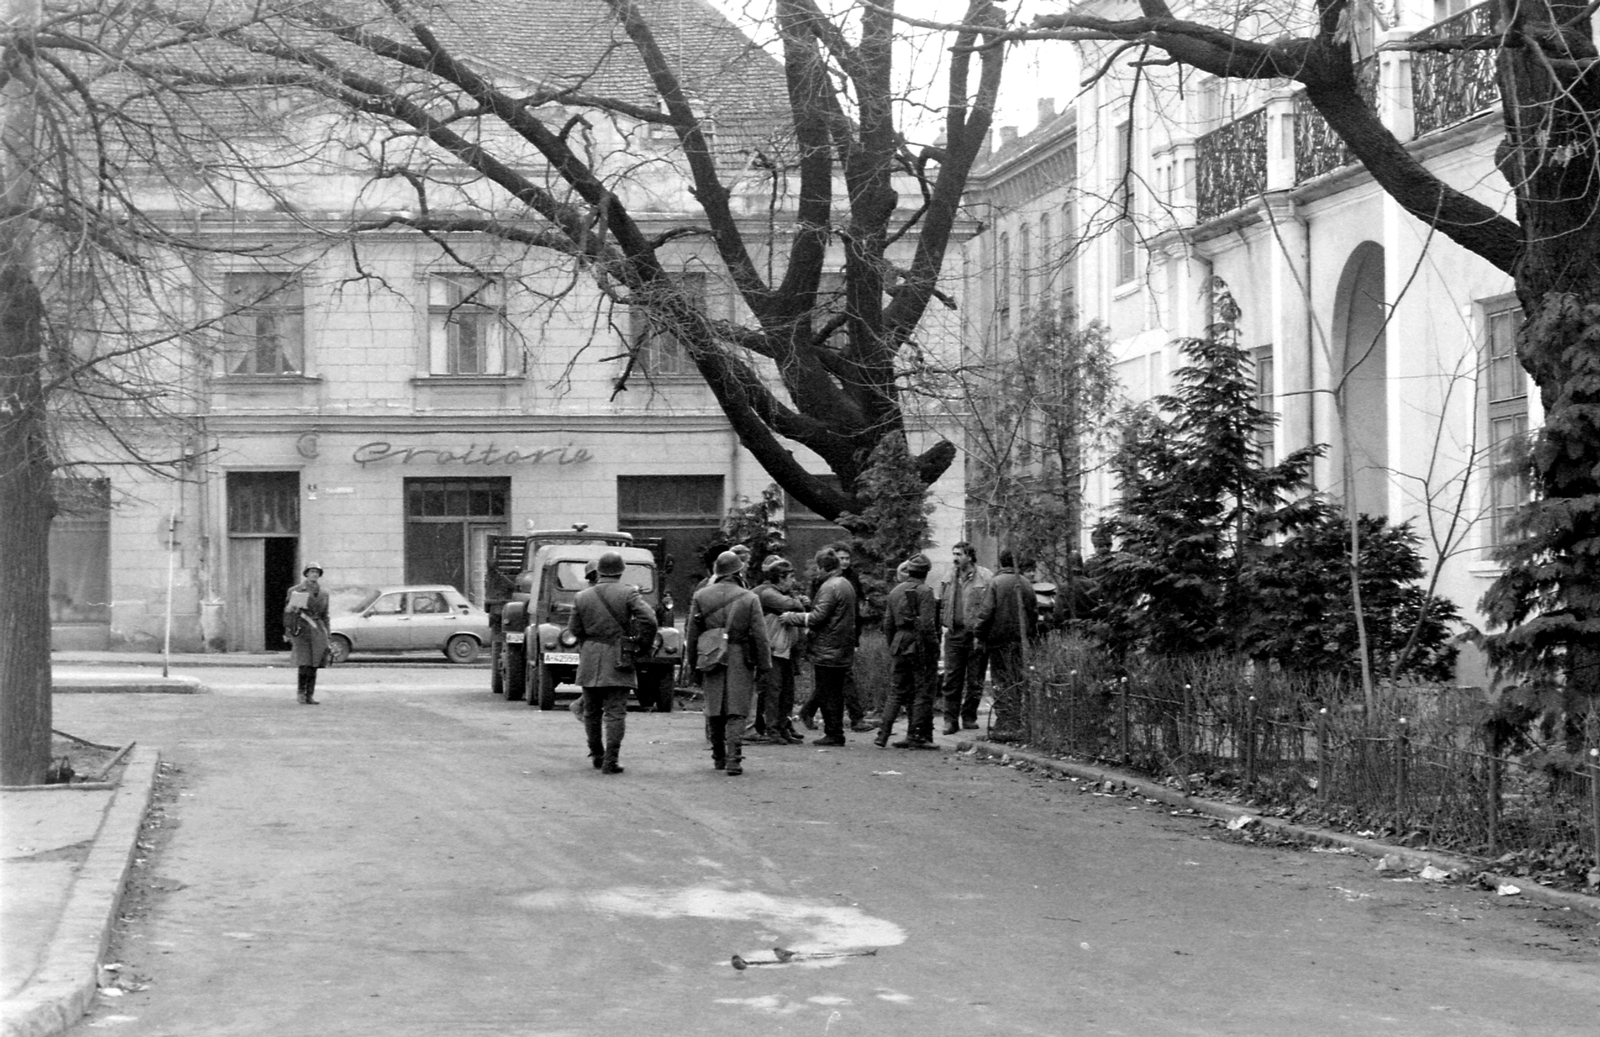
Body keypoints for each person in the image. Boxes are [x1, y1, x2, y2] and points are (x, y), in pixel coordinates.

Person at [566, 550, 658, 775]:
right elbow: (650, 619)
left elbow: (574, 629)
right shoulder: (628, 594)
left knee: (592, 711)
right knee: (616, 712)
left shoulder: (582, 597)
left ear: (599, 571)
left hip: (590, 657)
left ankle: (597, 754)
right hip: (619, 657)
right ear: (620, 571)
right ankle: (611, 760)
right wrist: (642, 645)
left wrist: (589, 642)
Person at [685, 551, 772, 775]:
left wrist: (692, 664)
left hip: (710, 654)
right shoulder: (749, 597)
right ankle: (734, 758)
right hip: (739, 655)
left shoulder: (701, 596)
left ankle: (718, 756)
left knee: (714, 708)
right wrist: (764, 666)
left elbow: (692, 634)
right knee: (737, 709)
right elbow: (761, 636)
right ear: (738, 572)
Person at [781, 549, 857, 746]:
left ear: (822, 567)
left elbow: (818, 617)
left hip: (827, 647)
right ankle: (835, 731)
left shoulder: (829, 587)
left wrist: (792, 617)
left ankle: (833, 733)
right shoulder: (844, 584)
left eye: (818, 568)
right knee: (835, 692)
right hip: (840, 645)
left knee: (827, 692)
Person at [797, 543, 876, 733]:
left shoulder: (836, 583)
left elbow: (820, 615)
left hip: (832, 641)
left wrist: (794, 617)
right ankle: (847, 721)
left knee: (831, 685)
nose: (846, 562)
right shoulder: (838, 583)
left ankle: (835, 726)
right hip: (838, 640)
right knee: (835, 684)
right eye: (842, 559)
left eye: (848, 558)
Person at [877, 553, 939, 749]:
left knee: (897, 690)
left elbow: (887, 624)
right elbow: (928, 625)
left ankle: (883, 734)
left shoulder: (895, 592)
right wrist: (934, 648)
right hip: (918, 644)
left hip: (899, 642)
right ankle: (917, 736)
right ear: (926, 572)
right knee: (922, 691)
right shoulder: (925, 592)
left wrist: (893, 644)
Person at [975, 548, 1038, 738]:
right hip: (1020, 640)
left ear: (1001, 563)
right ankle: (1016, 719)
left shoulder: (995, 583)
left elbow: (986, 612)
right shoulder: (1025, 583)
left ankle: (1004, 720)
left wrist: (979, 633)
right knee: (1017, 679)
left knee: (1000, 680)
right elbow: (1033, 613)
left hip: (998, 640)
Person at [938, 541, 993, 734]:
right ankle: (950, 720)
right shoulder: (948, 577)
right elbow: (942, 603)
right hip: (954, 633)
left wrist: (983, 631)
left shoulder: (985, 577)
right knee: (952, 678)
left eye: (959, 554)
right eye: (953, 553)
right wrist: (944, 623)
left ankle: (969, 716)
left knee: (975, 678)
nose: (955, 558)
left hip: (975, 634)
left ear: (969, 556)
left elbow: (989, 605)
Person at [755, 555, 808, 745]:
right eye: (791, 577)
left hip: (785, 650)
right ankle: (773, 729)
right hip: (773, 651)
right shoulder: (768, 593)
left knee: (787, 691)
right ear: (781, 578)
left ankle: (784, 727)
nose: (794, 581)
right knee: (773, 690)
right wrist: (798, 602)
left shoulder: (779, 593)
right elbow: (792, 605)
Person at [284, 563, 332, 705]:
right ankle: (301, 693)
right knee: (304, 662)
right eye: (312, 571)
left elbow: (325, 615)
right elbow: (288, 612)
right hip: (301, 629)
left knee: (314, 663)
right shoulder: (296, 590)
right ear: (306, 573)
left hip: (317, 629)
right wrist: (288, 631)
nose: (314, 574)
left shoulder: (324, 593)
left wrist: (327, 634)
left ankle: (310, 694)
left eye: (317, 572)